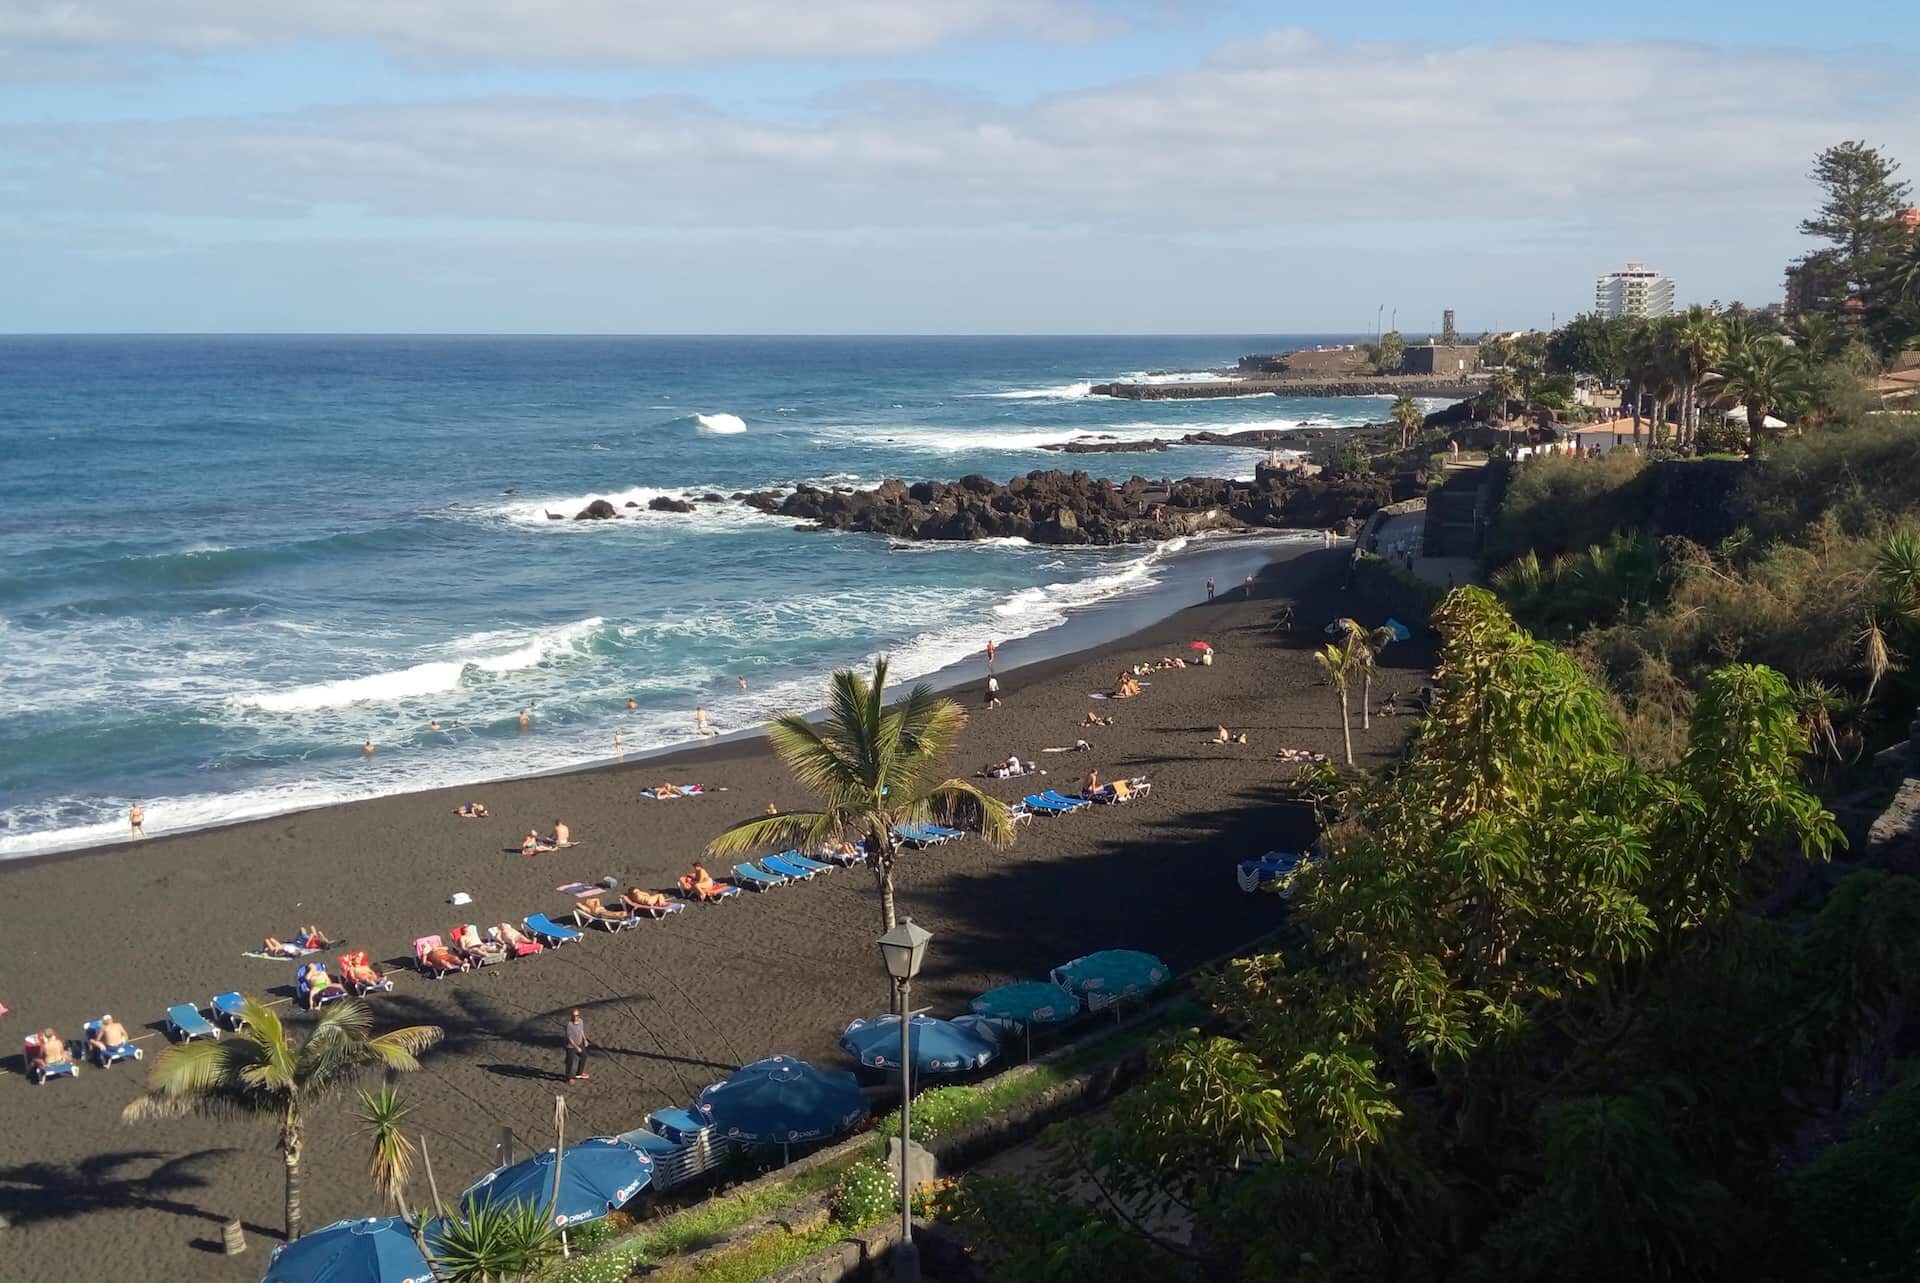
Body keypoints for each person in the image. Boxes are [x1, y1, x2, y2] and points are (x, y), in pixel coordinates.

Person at [564, 1009, 590, 1083]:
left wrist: (585, 1039)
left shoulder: (581, 1021)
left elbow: (581, 1031)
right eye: (573, 1015)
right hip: (571, 1046)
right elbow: (570, 1038)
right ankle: (569, 1077)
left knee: (584, 1056)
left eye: (577, 1015)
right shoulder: (569, 1025)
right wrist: (576, 1047)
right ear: (571, 1016)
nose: (575, 1017)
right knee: (570, 1061)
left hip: (579, 1043)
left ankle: (579, 1073)